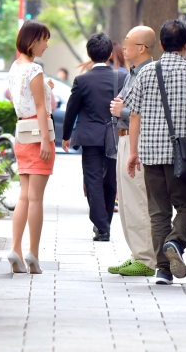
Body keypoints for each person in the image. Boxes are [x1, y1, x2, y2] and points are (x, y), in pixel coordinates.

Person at [124, 19, 186, 285]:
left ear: (162, 44)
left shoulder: (145, 73)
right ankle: (175, 242)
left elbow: (134, 115)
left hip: (151, 153)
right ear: (185, 45)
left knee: (158, 213)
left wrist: (133, 151)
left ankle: (163, 270)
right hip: (185, 156)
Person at [62, 33, 124, 241]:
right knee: (110, 181)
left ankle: (102, 226)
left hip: (90, 137)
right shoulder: (121, 77)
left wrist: (66, 135)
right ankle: (104, 222)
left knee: (93, 180)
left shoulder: (82, 80)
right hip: (114, 138)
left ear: (89, 54)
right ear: (109, 54)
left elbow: (72, 109)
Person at [6, 20, 56, 274]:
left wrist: (45, 89)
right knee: (36, 198)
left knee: (24, 196)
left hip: (22, 136)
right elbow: (41, 108)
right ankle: (33, 254)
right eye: (44, 40)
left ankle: (16, 248)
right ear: (33, 41)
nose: (47, 45)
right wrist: (46, 140)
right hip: (38, 135)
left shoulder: (16, 68)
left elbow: (18, 98)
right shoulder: (34, 69)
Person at [107, 26, 157, 277]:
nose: (123, 46)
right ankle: (138, 254)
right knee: (126, 201)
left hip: (138, 142)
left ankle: (146, 259)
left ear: (141, 48)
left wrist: (121, 111)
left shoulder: (149, 73)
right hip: (125, 139)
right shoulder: (132, 73)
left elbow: (147, 114)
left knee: (137, 200)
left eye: (128, 42)